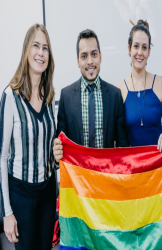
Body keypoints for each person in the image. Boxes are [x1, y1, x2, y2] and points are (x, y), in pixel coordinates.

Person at [0, 24, 56, 250]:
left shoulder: (49, 95)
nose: (41, 53)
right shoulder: (10, 96)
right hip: (21, 197)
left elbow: (51, 148)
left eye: (46, 48)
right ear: (26, 51)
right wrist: (6, 213)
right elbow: (0, 158)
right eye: (36, 46)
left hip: (48, 193)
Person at [53, 29, 129, 161]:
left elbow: (122, 146)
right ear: (78, 61)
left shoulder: (115, 95)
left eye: (94, 54)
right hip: (79, 178)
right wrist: (56, 152)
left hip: (106, 176)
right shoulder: (66, 96)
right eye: (84, 56)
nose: (90, 61)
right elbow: (61, 145)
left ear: (100, 56)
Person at [117, 20, 162, 150]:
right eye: (136, 46)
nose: (140, 52)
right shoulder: (119, 89)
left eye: (144, 47)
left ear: (149, 51)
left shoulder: (161, 83)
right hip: (133, 166)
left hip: (159, 164)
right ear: (129, 49)